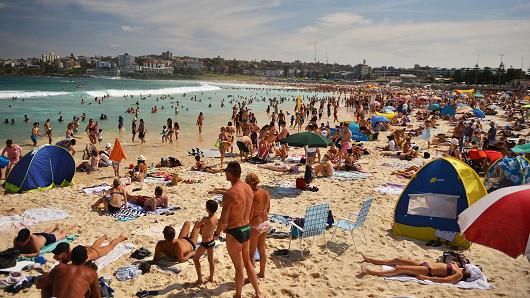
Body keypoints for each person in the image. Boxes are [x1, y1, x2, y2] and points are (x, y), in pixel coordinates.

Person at [213, 161, 263, 298]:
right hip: (246, 228)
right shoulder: (248, 188)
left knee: (239, 266)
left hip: (234, 232)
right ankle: (258, 293)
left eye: (226, 172)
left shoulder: (229, 194)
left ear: (231, 174)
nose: (225, 174)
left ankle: (238, 295)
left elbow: (223, 220)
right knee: (247, 262)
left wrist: (217, 233)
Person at [360, 254, 482, 283]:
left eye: (469, 267)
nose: (467, 266)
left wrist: (426, 278)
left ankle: (370, 272)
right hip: (425, 263)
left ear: (469, 273)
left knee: (399, 269)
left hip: (428, 271)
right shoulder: (459, 268)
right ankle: (371, 260)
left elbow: (445, 280)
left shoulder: (459, 275)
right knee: (398, 259)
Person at [36, 246, 101, 298]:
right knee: (87, 291)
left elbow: (39, 285)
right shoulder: (91, 273)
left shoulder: (60, 267)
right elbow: (97, 296)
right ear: (86, 258)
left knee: (47, 286)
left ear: (71, 257)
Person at [246, 173, 270, 279]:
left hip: (255, 225)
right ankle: (262, 272)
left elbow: (250, 215)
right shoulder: (265, 192)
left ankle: (251, 277)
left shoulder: (252, 195)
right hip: (264, 223)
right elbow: (268, 210)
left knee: (251, 253)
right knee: (262, 249)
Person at [193, 200, 219, 285]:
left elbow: (197, 227)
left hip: (205, 243)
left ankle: (200, 279)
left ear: (207, 209)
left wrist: (199, 223)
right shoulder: (215, 218)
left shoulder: (205, 219)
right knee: (211, 260)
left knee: (196, 259)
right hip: (211, 241)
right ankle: (211, 278)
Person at [52, 234, 127, 263]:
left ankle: (122, 237)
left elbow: (81, 262)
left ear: (65, 252)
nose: (57, 255)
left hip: (97, 253)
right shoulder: (73, 251)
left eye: (59, 253)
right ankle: (104, 236)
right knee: (96, 244)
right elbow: (55, 257)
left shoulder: (78, 256)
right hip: (90, 248)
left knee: (111, 245)